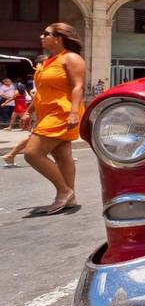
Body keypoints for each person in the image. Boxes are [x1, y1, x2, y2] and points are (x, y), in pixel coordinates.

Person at [19, 23, 86, 214]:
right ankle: (70, 198)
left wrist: (73, 112)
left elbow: (77, 86)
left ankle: (64, 190)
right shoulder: (49, 61)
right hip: (47, 112)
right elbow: (42, 91)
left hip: (63, 112)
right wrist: (28, 111)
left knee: (32, 153)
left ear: (59, 38)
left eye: (46, 34)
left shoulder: (71, 58)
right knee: (62, 155)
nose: (41, 36)